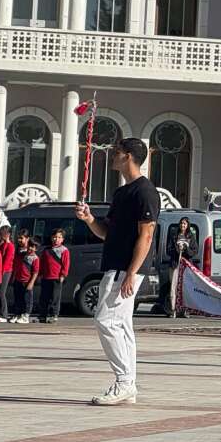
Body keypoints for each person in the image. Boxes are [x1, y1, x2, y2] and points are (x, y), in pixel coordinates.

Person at [76, 137, 161, 406]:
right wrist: (89, 218)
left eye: (116, 152)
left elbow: (146, 236)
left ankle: (124, 382)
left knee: (106, 321)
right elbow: (106, 232)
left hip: (126, 269)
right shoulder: (121, 193)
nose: (112, 156)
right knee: (122, 326)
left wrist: (131, 273)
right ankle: (129, 384)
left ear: (128, 157)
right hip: (114, 265)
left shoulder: (145, 192)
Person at [160, 216, 197, 317]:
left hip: (185, 266)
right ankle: (173, 310)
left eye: (184, 224)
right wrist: (177, 249)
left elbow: (194, 251)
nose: (183, 225)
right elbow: (169, 250)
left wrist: (185, 249)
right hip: (175, 265)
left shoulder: (190, 237)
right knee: (174, 287)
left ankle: (185, 310)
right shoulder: (174, 236)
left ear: (187, 225)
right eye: (181, 223)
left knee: (185, 288)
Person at [37, 228, 69, 323]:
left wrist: (63, 275)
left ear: (62, 239)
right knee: (44, 297)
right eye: (55, 237)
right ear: (51, 238)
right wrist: (40, 274)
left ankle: (54, 314)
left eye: (59, 237)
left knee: (55, 297)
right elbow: (42, 263)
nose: (56, 239)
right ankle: (43, 314)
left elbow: (66, 264)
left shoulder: (64, 250)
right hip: (46, 277)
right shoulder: (46, 250)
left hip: (56, 278)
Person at [9, 235, 38, 323]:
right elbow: (16, 266)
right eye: (29, 246)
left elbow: (35, 272)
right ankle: (17, 314)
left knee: (27, 299)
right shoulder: (22, 255)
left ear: (36, 248)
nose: (30, 248)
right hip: (18, 280)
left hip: (27, 281)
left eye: (33, 247)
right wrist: (13, 278)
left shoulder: (35, 258)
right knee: (18, 298)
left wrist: (31, 282)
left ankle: (26, 315)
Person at [0, 226, 14, 322]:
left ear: (7, 235)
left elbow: (7, 261)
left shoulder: (10, 246)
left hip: (6, 271)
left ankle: (3, 314)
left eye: (2, 234)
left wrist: (1, 273)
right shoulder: (2, 245)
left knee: (2, 292)